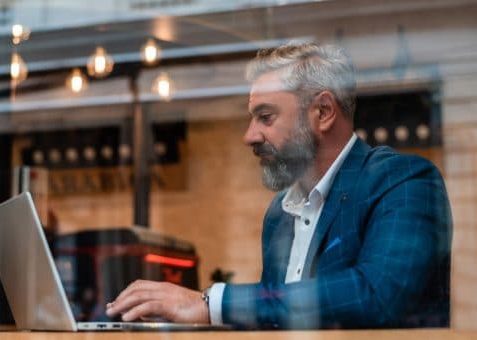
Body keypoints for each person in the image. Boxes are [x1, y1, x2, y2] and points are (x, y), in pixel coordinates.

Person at [106, 42, 452, 329]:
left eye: (266, 117)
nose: (249, 136)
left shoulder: (404, 180)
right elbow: (276, 316)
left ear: (324, 112)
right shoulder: (279, 213)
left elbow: (376, 294)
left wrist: (210, 303)